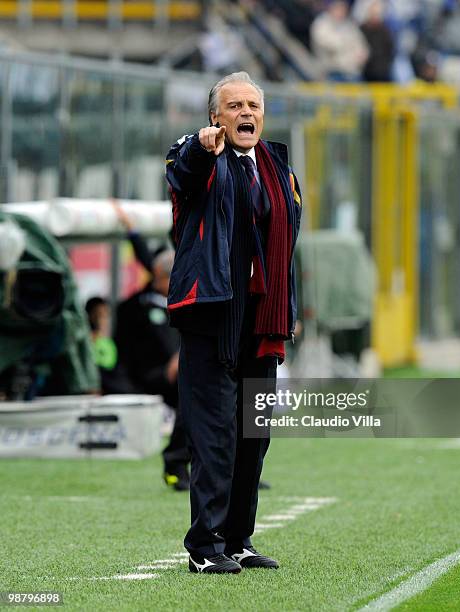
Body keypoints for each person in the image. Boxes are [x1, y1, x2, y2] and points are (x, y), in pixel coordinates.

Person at [165, 71, 302, 574]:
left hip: (261, 320)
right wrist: (202, 148)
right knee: (214, 434)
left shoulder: (278, 168)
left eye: (253, 106)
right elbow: (182, 173)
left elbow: (287, 248)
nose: (246, 114)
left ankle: (238, 538)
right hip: (212, 314)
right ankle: (204, 546)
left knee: (253, 433)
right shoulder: (197, 155)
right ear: (215, 116)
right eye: (235, 106)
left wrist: (290, 308)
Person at [114, 249, 191, 491]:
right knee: (192, 394)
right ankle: (175, 466)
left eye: (158, 277)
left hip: (175, 370)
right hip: (150, 376)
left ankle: (241, 472)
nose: (155, 283)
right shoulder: (144, 305)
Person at [310, 0, 369, 81]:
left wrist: (361, 55)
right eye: (338, 7)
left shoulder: (350, 25)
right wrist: (348, 47)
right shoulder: (321, 24)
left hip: (352, 72)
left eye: (343, 7)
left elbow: (361, 46)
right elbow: (331, 45)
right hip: (331, 72)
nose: (341, 10)